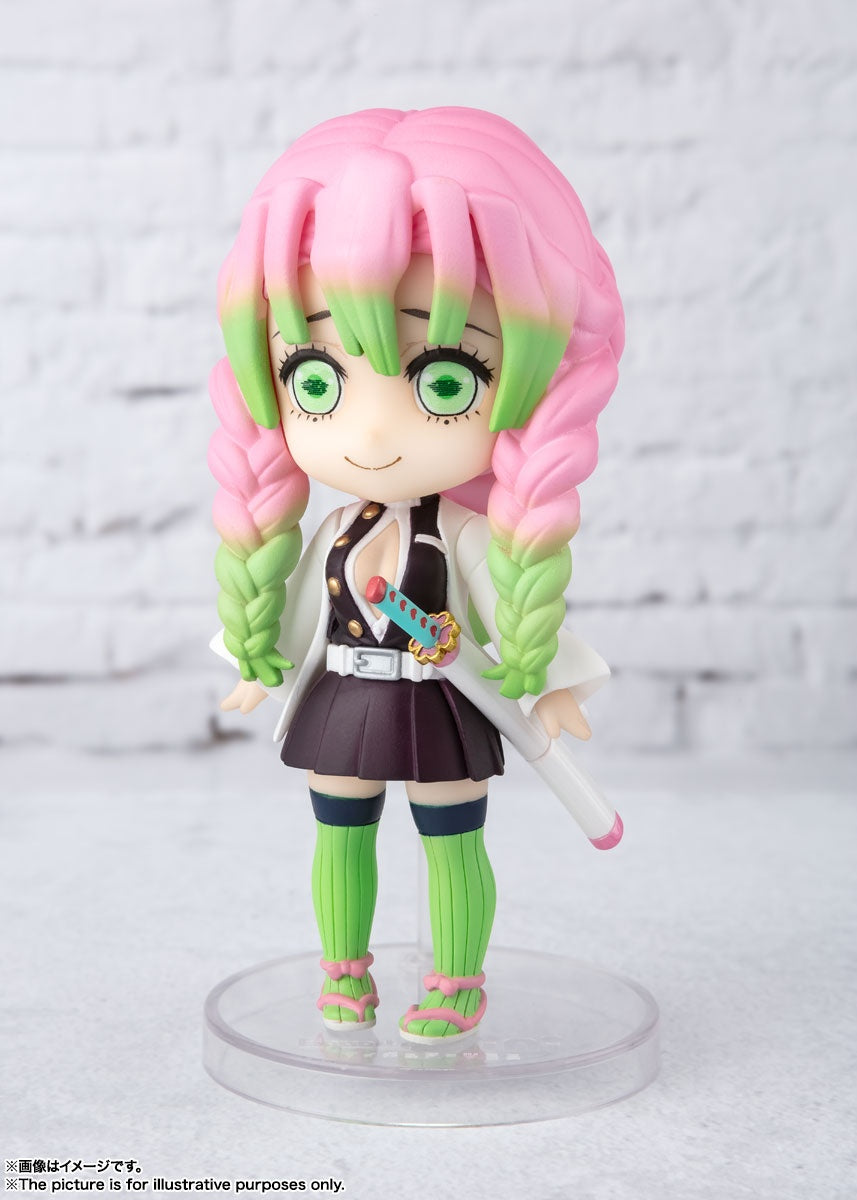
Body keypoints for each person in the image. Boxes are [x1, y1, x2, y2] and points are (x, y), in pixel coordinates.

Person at [208, 107, 624, 1042]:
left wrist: (553, 682)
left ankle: (456, 983)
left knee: (450, 838)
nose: (370, 430)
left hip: (438, 699)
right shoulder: (334, 530)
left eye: (444, 379)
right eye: (316, 379)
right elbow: (298, 609)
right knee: (339, 828)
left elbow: (512, 606)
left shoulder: (465, 536)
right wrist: (253, 659)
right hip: (344, 698)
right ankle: (343, 972)